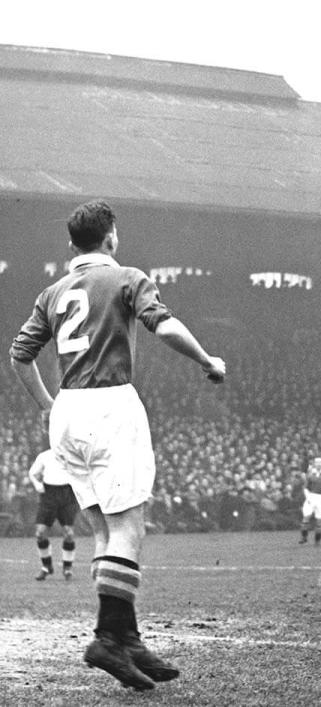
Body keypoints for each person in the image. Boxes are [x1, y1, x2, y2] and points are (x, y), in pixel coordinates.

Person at [9, 199, 226, 691]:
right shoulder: (127, 277)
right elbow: (162, 323)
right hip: (110, 404)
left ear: (71, 245)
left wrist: (47, 404)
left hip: (66, 410)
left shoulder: (52, 291)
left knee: (105, 532)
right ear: (111, 238)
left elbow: (19, 357)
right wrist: (207, 360)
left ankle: (125, 638)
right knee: (129, 528)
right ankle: (109, 637)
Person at [28, 447, 80, 581]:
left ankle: (67, 568)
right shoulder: (45, 456)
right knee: (40, 533)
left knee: (69, 533)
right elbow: (32, 473)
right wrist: (36, 484)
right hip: (49, 494)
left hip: (67, 494)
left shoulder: (71, 454)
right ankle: (46, 567)